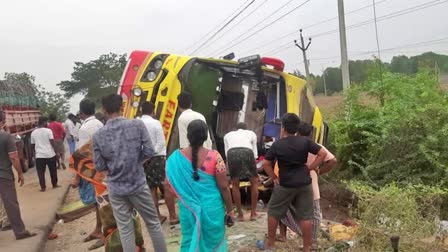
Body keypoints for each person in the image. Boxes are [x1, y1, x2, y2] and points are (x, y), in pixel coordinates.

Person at [93, 94, 167, 252]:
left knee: (125, 229)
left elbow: (99, 166)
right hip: (138, 184)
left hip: (116, 188)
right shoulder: (137, 125)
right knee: (153, 224)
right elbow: (150, 151)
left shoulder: (98, 135)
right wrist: (136, 161)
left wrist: (113, 168)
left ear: (104, 110)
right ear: (122, 107)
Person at [257, 113, 327, 252]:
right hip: (305, 184)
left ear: (283, 127)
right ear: (296, 128)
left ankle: (270, 244)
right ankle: (307, 248)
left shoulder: (278, 144)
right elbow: (323, 154)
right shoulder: (305, 142)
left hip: (285, 184)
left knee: (273, 212)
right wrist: (310, 168)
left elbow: (265, 164)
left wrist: (275, 178)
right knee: (306, 216)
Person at [166, 119, 234, 252]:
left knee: (189, 241)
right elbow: (224, 186)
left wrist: (186, 197)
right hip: (212, 210)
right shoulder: (215, 157)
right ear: (206, 136)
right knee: (214, 244)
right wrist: (230, 210)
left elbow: (167, 185)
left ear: (187, 136)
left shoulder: (175, 158)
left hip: (188, 210)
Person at [278, 122, 337, 249]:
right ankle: (312, 242)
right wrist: (317, 170)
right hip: (310, 185)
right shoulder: (316, 146)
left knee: (284, 208)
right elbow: (333, 161)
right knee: (313, 214)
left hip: (291, 184)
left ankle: (285, 235)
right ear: (311, 133)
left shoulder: (290, 145)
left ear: (297, 133)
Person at [71, 99, 105, 250]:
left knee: (98, 202)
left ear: (82, 112)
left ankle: (103, 233)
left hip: (91, 170)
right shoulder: (100, 124)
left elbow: (81, 155)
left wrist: (77, 177)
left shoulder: (84, 129)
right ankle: (98, 229)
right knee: (101, 201)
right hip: (102, 167)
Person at [139, 102, 179, 225]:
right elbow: (161, 143)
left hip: (144, 159)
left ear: (141, 110)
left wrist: (145, 156)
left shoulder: (137, 124)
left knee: (151, 188)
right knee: (165, 185)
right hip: (158, 158)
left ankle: (157, 217)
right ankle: (173, 216)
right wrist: (153, 154)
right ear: (153, 111)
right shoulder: (155, 123)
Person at [0, 110, 36, 240]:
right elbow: (14, 157)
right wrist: (20, 173)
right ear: (3, 122)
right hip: (3, 176)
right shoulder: (5, 136)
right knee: (11, 204)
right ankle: (20, 232)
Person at [224, 122, 259, 221]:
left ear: (236, 128)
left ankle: (240, 215)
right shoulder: (251, 133)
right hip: (247, 152)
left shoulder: (228, 135)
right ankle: (253, 213)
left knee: (235, 185)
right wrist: (255, 173)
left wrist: (228, 171)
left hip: (232, 153)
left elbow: (227, 154)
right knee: (254, 183)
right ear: (246, 128)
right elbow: (255, 154)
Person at [31, 116, 59, 192]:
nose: (47, 124)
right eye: (46, 122)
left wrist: (34, 155)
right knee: (53, 170)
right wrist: (57, 152)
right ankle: (54, 184)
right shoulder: (48, 131)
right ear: (44, 122)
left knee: (40, 172)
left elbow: (32, 146)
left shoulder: (33, 133)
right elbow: (52, 143)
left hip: (39, 156)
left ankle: (43, 187)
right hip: (50, 154)